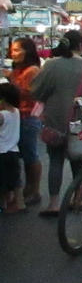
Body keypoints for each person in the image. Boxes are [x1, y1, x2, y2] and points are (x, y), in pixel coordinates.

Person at [30, 31, 82, 217]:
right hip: (78, 120)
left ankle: (54, 203)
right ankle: (77, 199)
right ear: (80, 45)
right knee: (78, 161)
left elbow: (36, 89)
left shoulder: (52, 64)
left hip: (55, 120)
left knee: (55, 161)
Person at [8, 37, 43, 207]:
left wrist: (11, 85)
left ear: (27, 51)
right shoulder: (17, 69)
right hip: (16, 117)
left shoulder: (32, 71)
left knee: (30, 155)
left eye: (16, 50)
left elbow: (33, 93)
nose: (12, 53)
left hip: (28, 117)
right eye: (12, 50)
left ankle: (34, 190)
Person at [0, 83, 24, 213]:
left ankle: (4, 204)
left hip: (2, 152)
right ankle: (19, 202)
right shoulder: (16, 112)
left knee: (2, 180)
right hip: (14, 151)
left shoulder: (2, 115)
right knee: (15, 179)